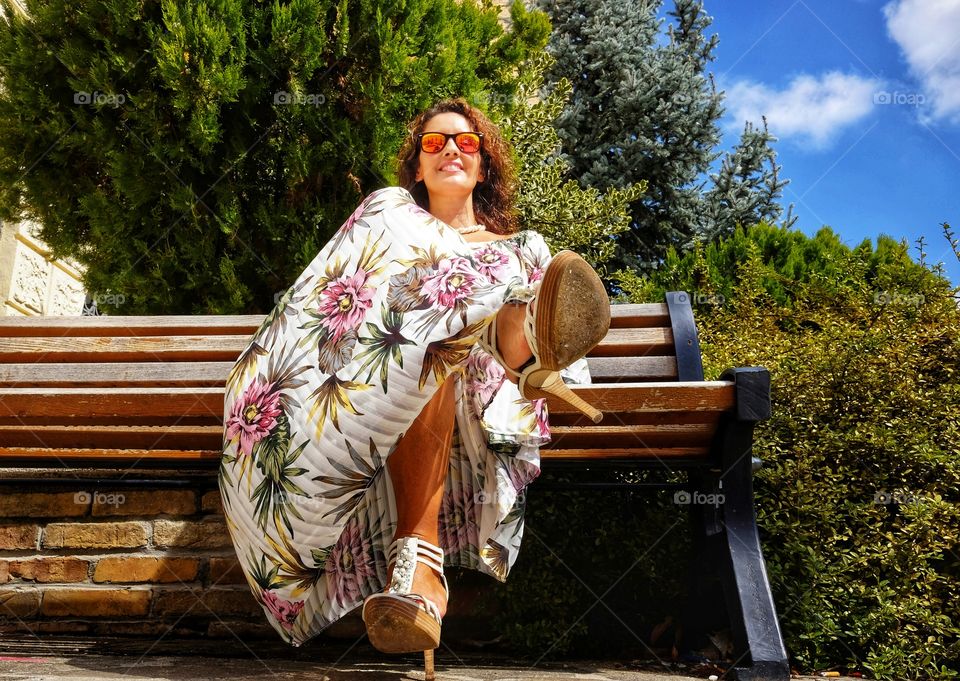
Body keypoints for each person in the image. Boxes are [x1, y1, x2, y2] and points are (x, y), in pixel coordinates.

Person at [219, 97, 610, 680]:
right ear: (419, 167)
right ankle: (510, 328)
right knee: (418, 333)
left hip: (480, 402)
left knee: (442, 339)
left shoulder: (524, 246)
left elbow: (566, 381)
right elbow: (323, 309)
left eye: (466, 143)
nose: (450, 148)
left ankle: (516, 331)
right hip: (365, 402)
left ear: (483, 167)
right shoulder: (385, 216)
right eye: (434, 143)